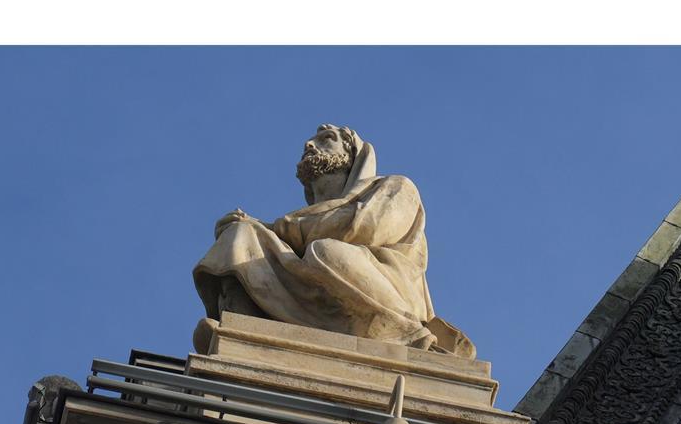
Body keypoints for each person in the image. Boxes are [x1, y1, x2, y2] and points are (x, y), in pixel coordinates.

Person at [192, 124, 475, 358]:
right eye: (310, 141)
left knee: (327, 251)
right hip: (313, 271)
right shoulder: (291, 230)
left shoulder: (396, 187)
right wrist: (258, 228)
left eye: (326, 138)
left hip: (382, 286)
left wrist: (280, 229)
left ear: (353, 155)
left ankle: (405, 333)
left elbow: (361, 228)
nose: (310, 144)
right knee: (241, 235)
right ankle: (241, 327)